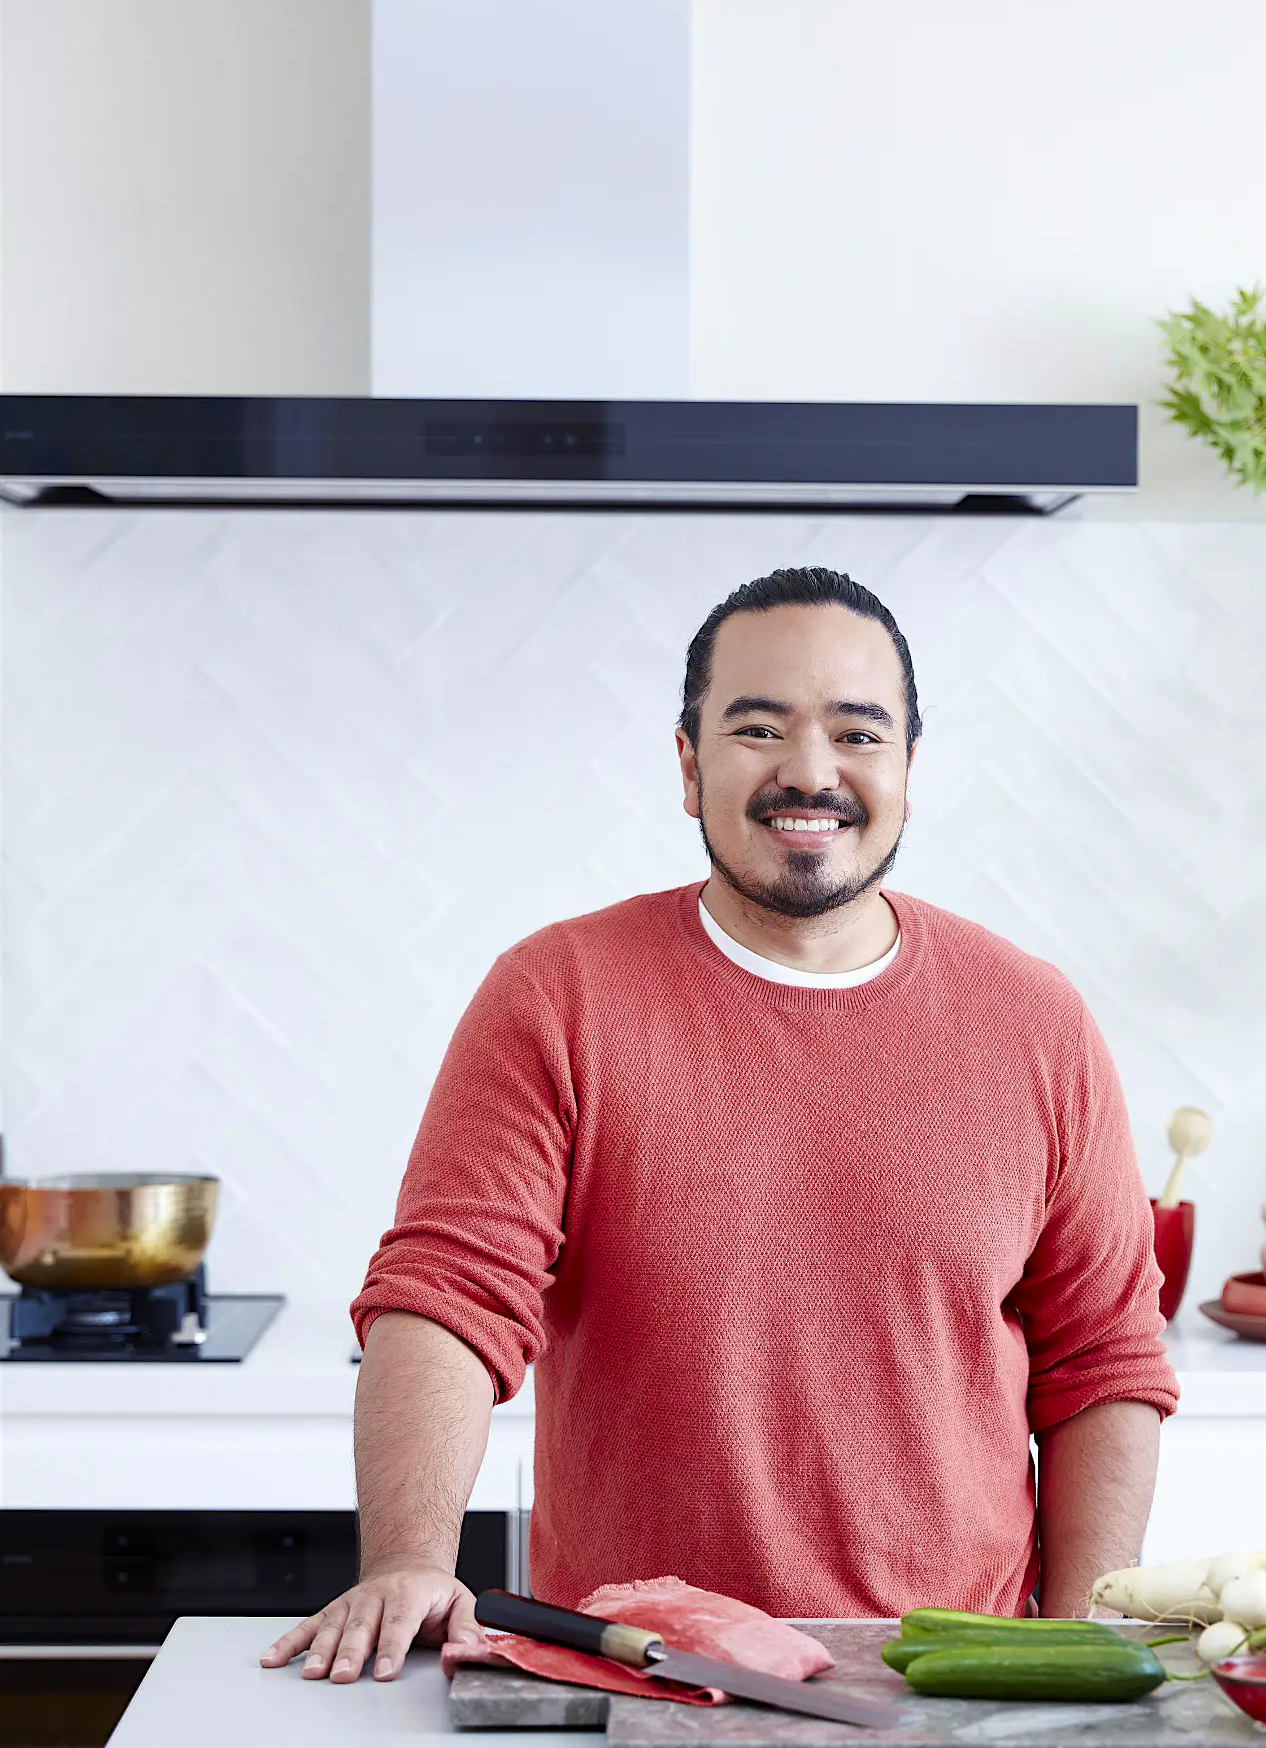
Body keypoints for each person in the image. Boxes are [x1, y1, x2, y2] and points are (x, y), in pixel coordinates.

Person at [263, 565, 1176, 1684]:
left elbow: (1101, 1358)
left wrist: (1080, 1644)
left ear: (908, 769)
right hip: (627, 1668)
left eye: (857, 733)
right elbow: (448, 1296)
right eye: (758, 729)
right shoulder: (557, 995)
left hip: (949, 1679)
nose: (811, 772)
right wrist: (409, 1560)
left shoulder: (1035, 1021)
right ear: (689, 766)